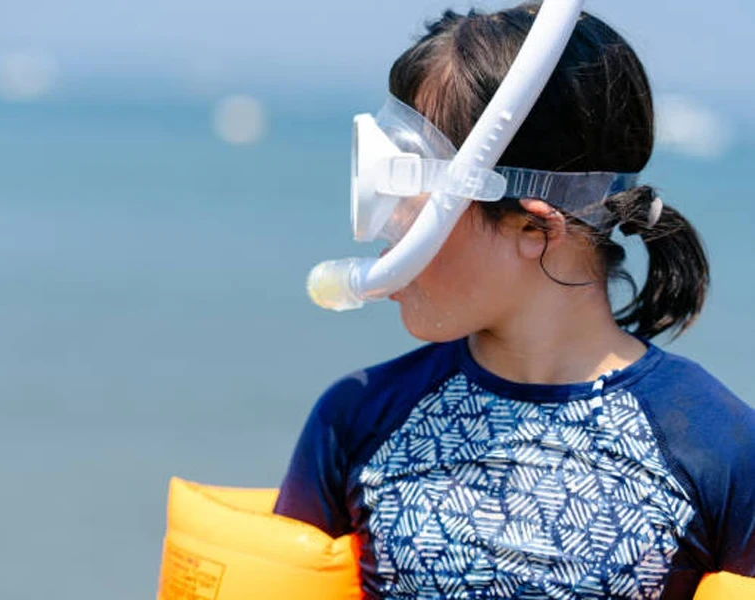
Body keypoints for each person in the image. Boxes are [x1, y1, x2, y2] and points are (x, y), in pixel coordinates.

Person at [274, 4, 755, 599]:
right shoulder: (357, 418)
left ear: (535, 230)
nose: (386, 228)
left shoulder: (717, 449)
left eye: (409, 191)